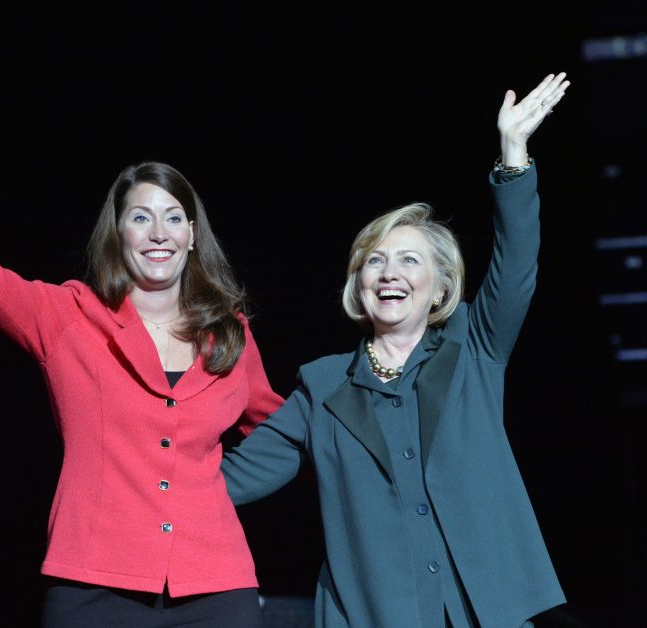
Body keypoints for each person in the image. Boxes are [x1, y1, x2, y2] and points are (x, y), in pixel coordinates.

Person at [0, 72, 284, 628]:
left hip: (218, 588)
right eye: (141, 218)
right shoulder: (68, 315)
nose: (158, 233)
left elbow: (283, 429)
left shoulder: (230, 335)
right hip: (94, 587)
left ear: (192, 234)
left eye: (172, 219)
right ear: (118, 233)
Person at [221, 72, 570, 627]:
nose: (389, 273)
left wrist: (513, 158)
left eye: (409, 260)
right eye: (374, 261)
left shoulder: (472, 348)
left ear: (441, 285)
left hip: (492, 613)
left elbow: (517, 263)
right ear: (357, 284)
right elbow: (227, 482)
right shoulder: (323, 387)